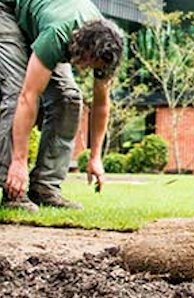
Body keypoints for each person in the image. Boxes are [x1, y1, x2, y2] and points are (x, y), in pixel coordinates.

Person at [0, 0, 124, 213]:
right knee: (16, 91)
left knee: (69, 98)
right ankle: (13, 190)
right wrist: (20, 161)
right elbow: (28, 97)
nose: (88, 71)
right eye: (88, 64)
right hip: (7, 10)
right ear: (80, 49)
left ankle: (45, 188)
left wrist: (96, 157)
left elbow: (101, 104)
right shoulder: (58, 35)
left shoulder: (110, 48)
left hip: (42, 19)